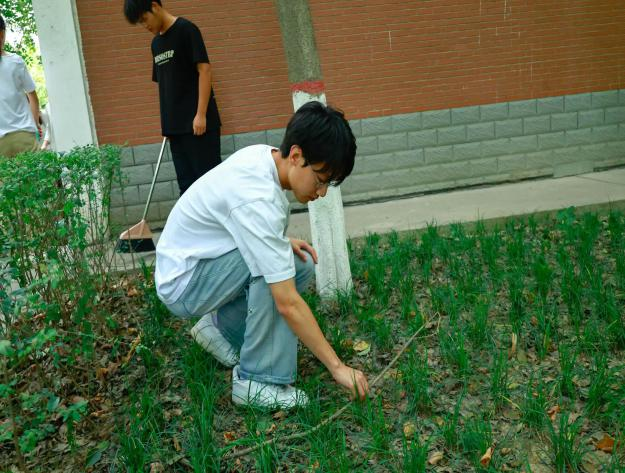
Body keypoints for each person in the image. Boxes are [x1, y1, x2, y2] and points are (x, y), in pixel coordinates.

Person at [155, 101, 370, 408]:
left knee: (297, 264)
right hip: (185, 283)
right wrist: (338, 367)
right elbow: (287, 303)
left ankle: (219, 332)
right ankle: (256, 381)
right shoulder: (258, 198)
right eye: (321, 180)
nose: (322, 192)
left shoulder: (263, 157)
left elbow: (238, 220)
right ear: (296, 156)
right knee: (277, 273)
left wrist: (280, 243)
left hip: (195, 263)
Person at [123, 0, 222, 195]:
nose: (145, 26)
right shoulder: (156, 44)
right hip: (175, 130)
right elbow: (165, 86)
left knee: (211, 186)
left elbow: (204, 70)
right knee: (187, 190)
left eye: (144, 19)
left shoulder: (186, 29)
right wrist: (167, 125)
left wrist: (201, 115)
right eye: (140, 23)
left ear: (155, 6)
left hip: (198, 126)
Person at [0, 13, 40, 159]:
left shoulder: (16, 62)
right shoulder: (15, 61)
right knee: (40, 173)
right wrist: (35, 125)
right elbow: (33, 97)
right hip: (23, 136)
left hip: (4, 143)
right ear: (3, 34)